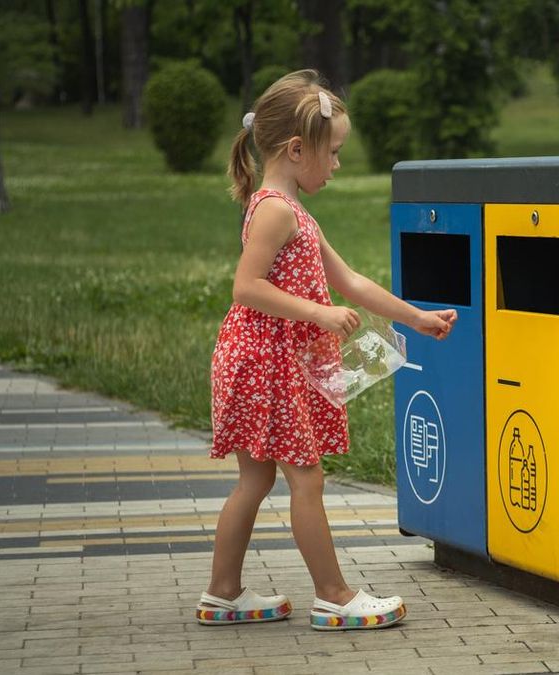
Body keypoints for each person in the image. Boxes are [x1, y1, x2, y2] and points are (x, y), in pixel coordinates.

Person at [195, 69, 456, 631]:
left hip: (263, 359)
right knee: (305, 479)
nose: (336, 164)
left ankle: (223, 592)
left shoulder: (295, 213)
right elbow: (246, 287)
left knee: (257, 481)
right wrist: (319, 313)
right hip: (265, 361)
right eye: (332, 152)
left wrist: (418, 318)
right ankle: (334, 594)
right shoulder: (276, 210)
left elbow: (352, 281)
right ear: (296, 149)